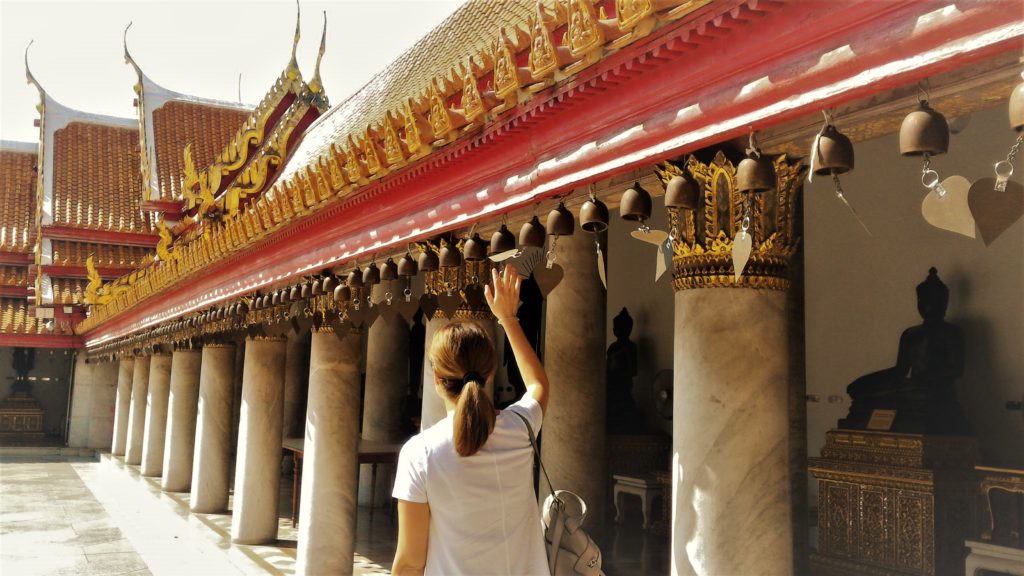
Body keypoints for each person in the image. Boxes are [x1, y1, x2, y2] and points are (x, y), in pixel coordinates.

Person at [391, 264, 550, 576]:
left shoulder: (420, 454)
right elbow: (539, 385)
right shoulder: (520, 428)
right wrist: (508, 318)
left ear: (436, 379)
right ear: (490, 373)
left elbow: (410, 562)